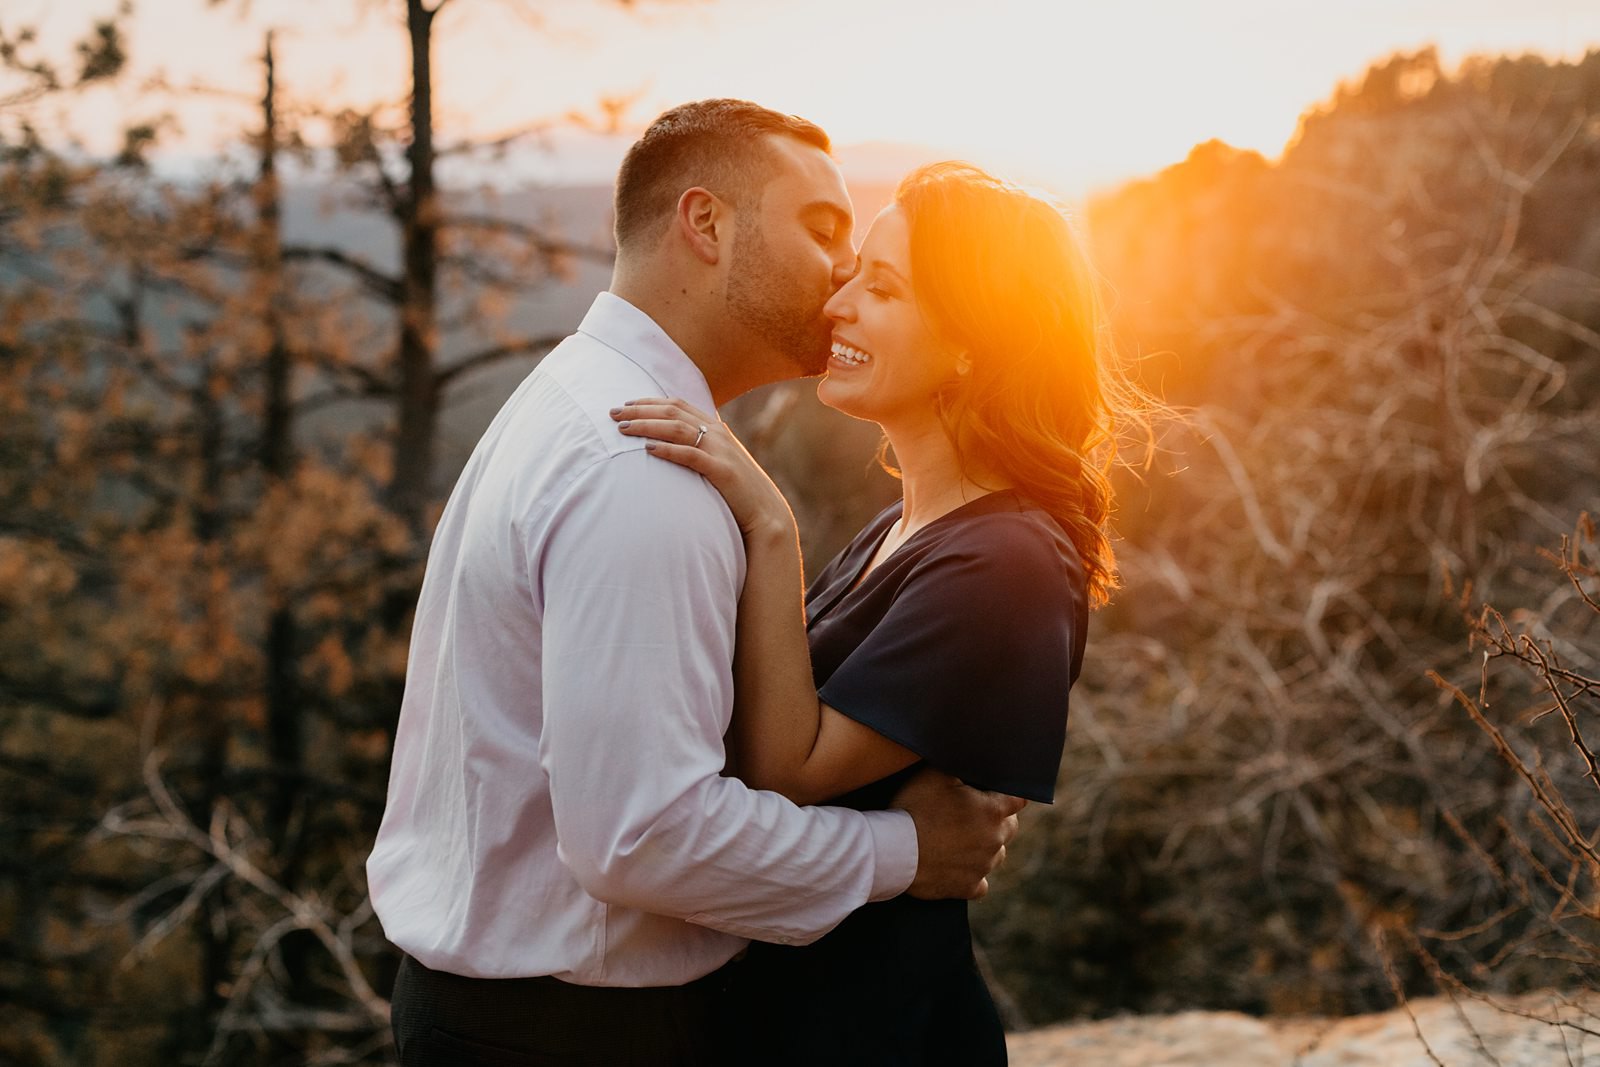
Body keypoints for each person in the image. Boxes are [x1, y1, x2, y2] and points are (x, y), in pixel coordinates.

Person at [365, 100, 1026, 1067]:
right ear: (706, 225)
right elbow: (645, 835)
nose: (843, 271)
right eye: (821, 229)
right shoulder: (641, 469)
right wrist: (909, 853)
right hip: (576, 1038)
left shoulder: (572, 398)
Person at [612, 160, 1152, 1065]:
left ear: (975, 340)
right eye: (855, 271)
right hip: (797, 1016)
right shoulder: (907, 525)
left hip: (877, 1031)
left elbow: (789, 767)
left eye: (885, 287)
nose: (838, 305)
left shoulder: (1006, 560)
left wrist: (770, 526)